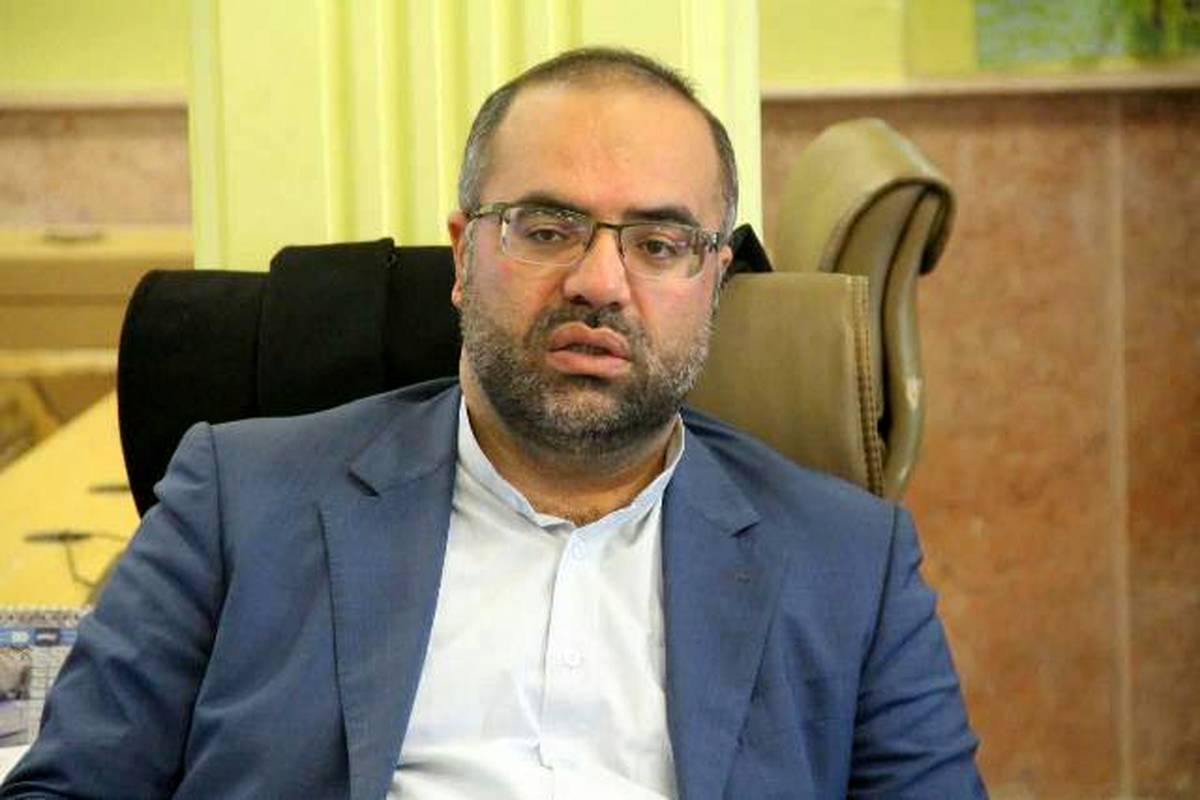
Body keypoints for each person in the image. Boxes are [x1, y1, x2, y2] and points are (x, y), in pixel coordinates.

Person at [1, 48, 985, 798]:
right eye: (548, 229)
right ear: (463, 257)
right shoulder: (239, 498)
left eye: (659, 243)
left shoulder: (850, 562)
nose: (600, 282)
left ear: (714, 282)